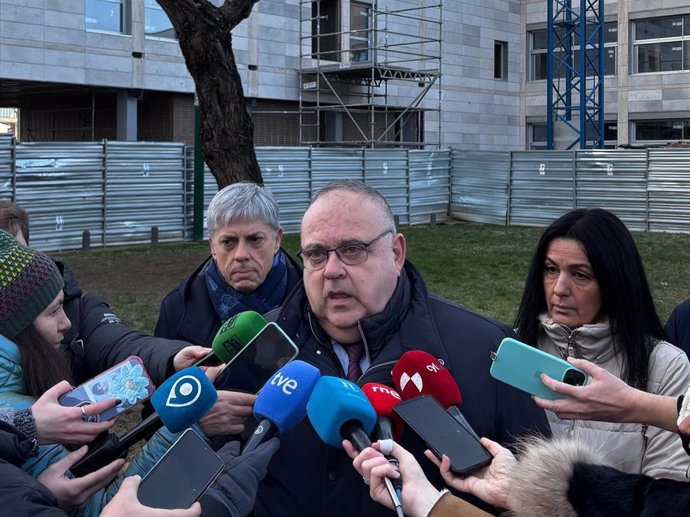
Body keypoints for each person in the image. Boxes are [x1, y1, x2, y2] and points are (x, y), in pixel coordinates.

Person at [253, 180, 550, 517]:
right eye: (316, 254)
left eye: (352, 250)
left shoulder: (486, 350)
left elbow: (538, 499)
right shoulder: (261, 347)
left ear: (396, 253)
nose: (332, 271)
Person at [0, 201, 254, 438]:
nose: (17, 271)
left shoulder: (79, 309)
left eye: (21, 253)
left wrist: (172, 358)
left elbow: (120, 342)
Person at [513, 207, 690, 480]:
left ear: (614, 283)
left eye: (580, 275)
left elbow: (669, 489)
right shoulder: (515, 348)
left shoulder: (665, 366)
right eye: (550, 269)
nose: (559, 288)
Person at [154, 182, 302, 346]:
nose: (241, 255)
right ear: (213, 246)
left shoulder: (313, 299)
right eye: (228, 242)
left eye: (254, 240)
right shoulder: (177, 308)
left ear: (276, 240)